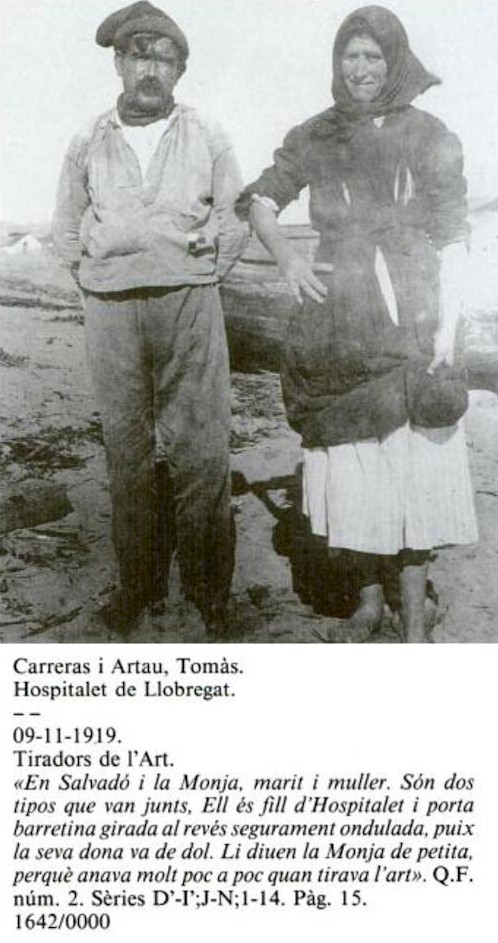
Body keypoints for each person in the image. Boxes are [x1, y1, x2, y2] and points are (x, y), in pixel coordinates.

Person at [236, 5, 478, 643]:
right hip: (340, 316)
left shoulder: (430, 134)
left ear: (394, 61)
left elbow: (455, 231)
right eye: (351, 56)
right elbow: (260, 200)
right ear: (337, 63)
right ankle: (368, 603)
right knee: (354, 459)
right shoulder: (315, 134)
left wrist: (449, 326)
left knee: (413, 457)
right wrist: (287, 256)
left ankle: (416, 614)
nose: (361, 68)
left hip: (412, 307)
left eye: (374, 56)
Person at [53, 2, 248, 635]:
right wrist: (91, 279)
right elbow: (65, 226)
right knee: (127, 451)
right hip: (111, 305)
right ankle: (136, 585)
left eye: (164, 60)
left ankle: (209, 589)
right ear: (119, 61)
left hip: (188, 302)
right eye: (140, 56)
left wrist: (205, 274)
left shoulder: (206, 132)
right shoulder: (88, 138)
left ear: (179, 69)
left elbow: (233, 216)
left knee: (201, 450)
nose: (150, 70)